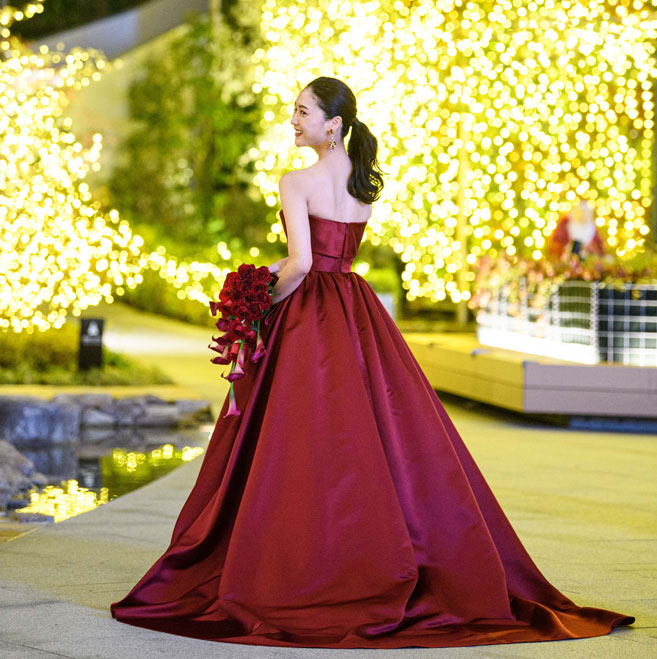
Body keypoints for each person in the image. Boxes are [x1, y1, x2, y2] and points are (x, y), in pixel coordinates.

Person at [110, 77, 633, 649]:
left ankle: (296, 562)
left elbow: (302, 264)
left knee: (298, 441)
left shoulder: (296, 182)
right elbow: (331, 256)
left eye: (302, 111)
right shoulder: (362, 186)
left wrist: (255, 304)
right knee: (373, 438)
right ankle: (363, 555)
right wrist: (264, 282)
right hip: (354, 311)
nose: (293, 120)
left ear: (333, 125)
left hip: (308, 315)